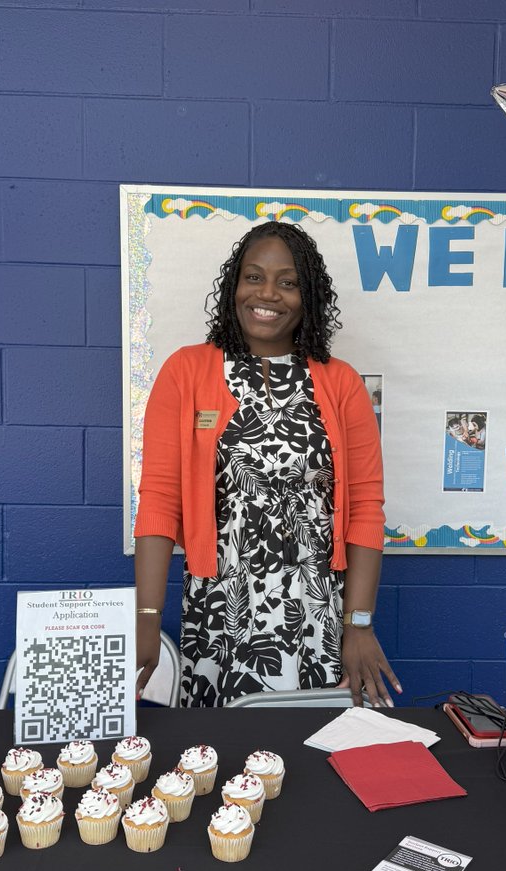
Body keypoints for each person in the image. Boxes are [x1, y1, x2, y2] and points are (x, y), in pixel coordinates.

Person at [134, 221, 400, 708]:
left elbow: (365, 509)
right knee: (222, 764)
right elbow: (158, 499)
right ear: (234, 285)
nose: (268, 294)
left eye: (288, 282)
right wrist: (147, 616)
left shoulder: (341, 385)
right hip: (220, 610)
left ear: (309, 296)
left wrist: (359, 624)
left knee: (310, 758)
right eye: (254, 277)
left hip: (317, 615)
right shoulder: (187, 372)